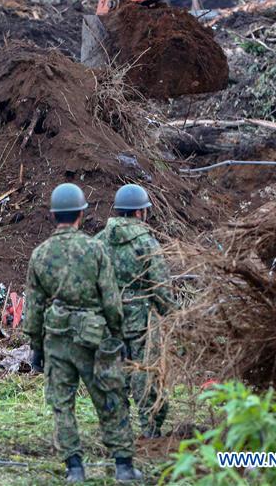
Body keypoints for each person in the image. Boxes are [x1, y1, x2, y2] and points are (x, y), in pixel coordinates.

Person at [24, 183, 141, 483]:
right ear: (80, 215)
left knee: (62, 405)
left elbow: (34, 308)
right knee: (109, 398)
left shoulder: (39, 255)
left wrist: (36, 347)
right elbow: (111, 301)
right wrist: (118, 337)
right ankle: (124, 466)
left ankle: (74, 468)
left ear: (54, 216)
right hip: (93, 336)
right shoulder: (95, 249)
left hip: (57, 338)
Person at [97, 184, 175, 439]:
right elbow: (161, 287)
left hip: (108, 320)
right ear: (140, 212)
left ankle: (117, 431)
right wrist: (173, 317)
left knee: (112, 376)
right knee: (145, 375)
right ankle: (151, 429)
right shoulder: (146, 242)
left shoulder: (98, 241)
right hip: (141, 321)